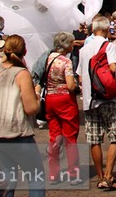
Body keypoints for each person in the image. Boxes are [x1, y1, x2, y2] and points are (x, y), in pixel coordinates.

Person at [0, 34, 46, 197]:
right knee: (36, 176)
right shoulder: (21, 73)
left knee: (7, 177)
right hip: (16, 133)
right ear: (25, 51)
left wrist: (0, 61)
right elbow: (31, 109)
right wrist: (37, 95)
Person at [77, 14, 116, 190]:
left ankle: (99, 176)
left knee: (94, 139)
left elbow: (80, 75)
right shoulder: (109, 46)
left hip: (90, 99)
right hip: (110, 97)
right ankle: (108, 175)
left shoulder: (84, 49)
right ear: (106, 29)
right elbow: (113, 67)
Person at [39, 31, 82, 185]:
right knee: (70, 137)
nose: (72, 46)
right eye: (71, 43)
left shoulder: (47, 58)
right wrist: (78, 87)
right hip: (65, 100)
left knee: (54, 137)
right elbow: (70, 85)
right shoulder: (66, 62)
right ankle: (73, 173)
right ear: (65, 45)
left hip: (50, 98)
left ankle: (53, 174)